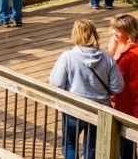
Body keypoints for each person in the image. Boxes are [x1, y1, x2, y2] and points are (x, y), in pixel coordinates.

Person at [50, 20, 124, 159]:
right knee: (92, 146)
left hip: (74, 108)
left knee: (70, 143)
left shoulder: (68, 57)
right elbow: (118, 87)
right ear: (94, 34)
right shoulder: (107, 59)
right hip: (100, 110)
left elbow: (56, 83)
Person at [109, 15, 138, 159]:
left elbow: (111, 76)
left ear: (129, 32)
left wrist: (111, 51)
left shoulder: (129, 56)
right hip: (128, 103)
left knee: (126, 144)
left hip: (129, 106)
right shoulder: (129, 48)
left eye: (118, 29)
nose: (114, 32)